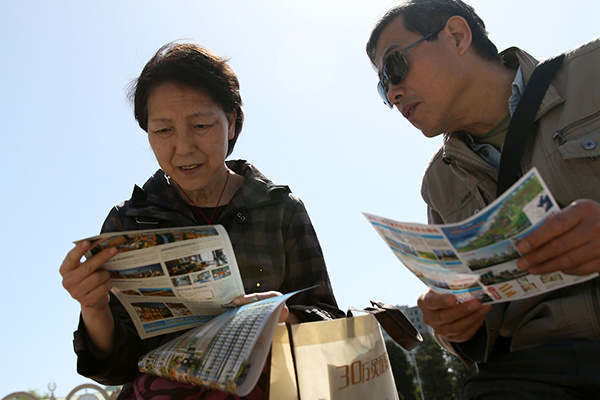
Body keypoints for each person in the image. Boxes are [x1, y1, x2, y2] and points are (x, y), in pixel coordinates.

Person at [60, 41, 343, 400]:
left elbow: (331, 323)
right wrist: (93, 308)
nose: (184, 147)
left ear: (231, 122)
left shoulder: (280, 209)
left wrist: (285, 316)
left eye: (201, 124)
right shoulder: (128, 222)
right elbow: (116, 367)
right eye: (163, 130)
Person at [366, 0, 600, 398]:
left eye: (393, 66)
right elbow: (481, 330)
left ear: (457, 36)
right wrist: (453, 327)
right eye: (382, 87)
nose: (393, 90)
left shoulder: (592, 72)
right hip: (536, 370)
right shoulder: (438, 183)